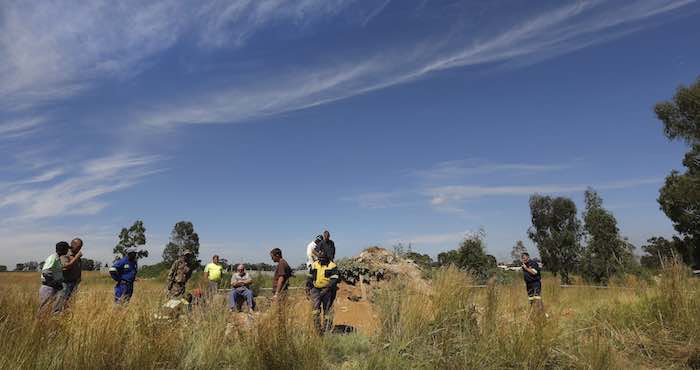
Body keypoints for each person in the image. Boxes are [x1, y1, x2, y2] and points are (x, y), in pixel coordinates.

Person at [307, 252, 339, 335]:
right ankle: (317, 329)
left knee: (327, 309)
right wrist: (308, 287)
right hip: (315, 290)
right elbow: (309, 277)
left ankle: (327, 329)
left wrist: (327, 288)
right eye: (319, 258)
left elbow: (334, 279)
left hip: (327, 291)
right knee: (315, 310)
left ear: (327, 258)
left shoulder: (332, 266)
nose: (321, 260)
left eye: (323, 259)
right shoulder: (314, 265)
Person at [38, 241, 70, 314]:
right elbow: (45, 272)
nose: (68, 251)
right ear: (63, 249)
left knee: (51, 309)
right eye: (67, 249)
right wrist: (55, 284)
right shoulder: (53, 258)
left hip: (52, 287)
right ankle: (40, 324)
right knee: (44, 310)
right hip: (48, 287)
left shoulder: (57, 258)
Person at [56, 238, 83, 311]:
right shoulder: (65, 253)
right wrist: (77, 257)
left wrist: (79, 278)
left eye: (80, 247)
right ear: (72, 245)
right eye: (78, 247)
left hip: (74, 283)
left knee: (70, 303)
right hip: (65, 283)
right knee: (61, 301)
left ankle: (66, 317)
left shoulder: (76, 255)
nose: (80, 249)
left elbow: (78, 267)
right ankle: (57, 317)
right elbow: (65, 266)